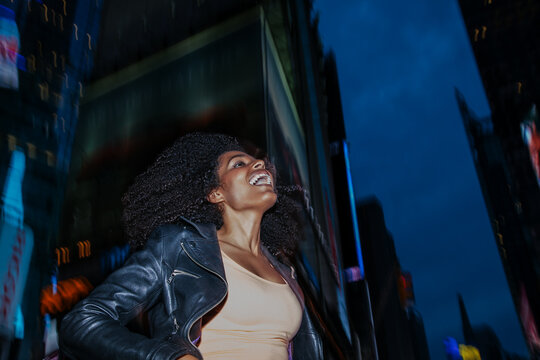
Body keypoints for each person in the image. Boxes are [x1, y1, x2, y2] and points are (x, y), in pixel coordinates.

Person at [59, 132, 322, 360]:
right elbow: (83, 322)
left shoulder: (285, 273)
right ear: (215, 193)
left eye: (259, 161)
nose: (260, 163)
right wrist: (172, 356)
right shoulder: (178, 246)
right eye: (238, 163)